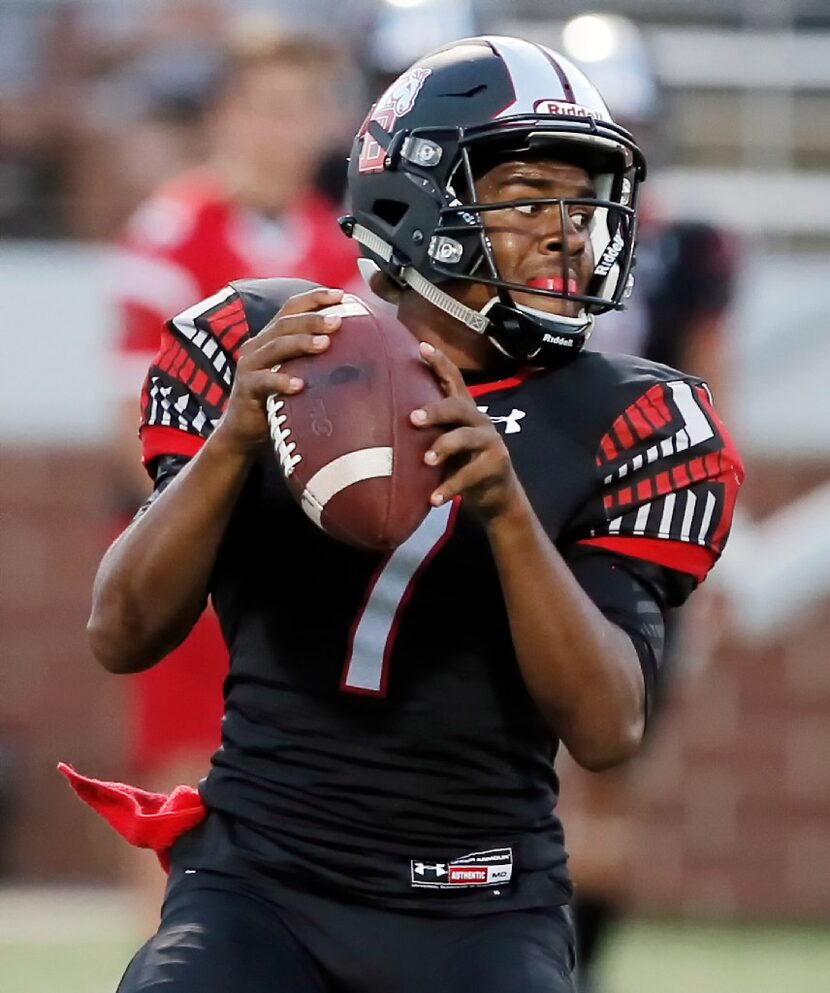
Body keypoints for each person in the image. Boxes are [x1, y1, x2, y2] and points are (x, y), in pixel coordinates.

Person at [77, 36, 743, 993]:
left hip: (479, 905)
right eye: (528, 196)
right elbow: (121, 631)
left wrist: (508, 513)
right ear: (416, 202)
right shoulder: (268, 345)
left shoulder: (630, 415)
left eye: (583, 197)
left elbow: (606, 727)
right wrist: (230, 444)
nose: (569, 229)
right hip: (256, 885)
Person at [106, 20, 360, 922]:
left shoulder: (345, 244)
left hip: (313, 540)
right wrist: (196, 524)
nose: (286, 128)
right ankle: (173, 954)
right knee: (180, 762)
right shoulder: (172, 232)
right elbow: (131, 410)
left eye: (305, 107)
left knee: (313, 757)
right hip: (202, 525)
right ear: (226, 114)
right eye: (268, 106)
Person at [553, 17, 740, 989]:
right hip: (539, 514)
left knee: (601, 776)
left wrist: (711, 548)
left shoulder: (687, 247)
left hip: (624, 527)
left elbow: (708, 402)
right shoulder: (516, 231)